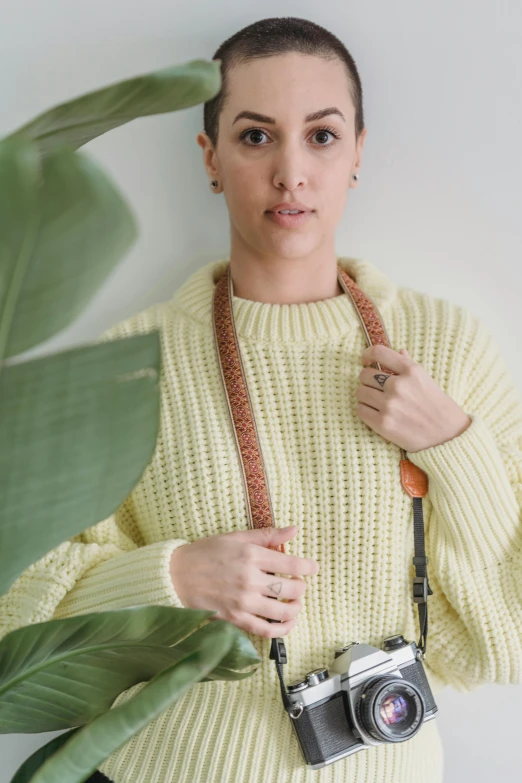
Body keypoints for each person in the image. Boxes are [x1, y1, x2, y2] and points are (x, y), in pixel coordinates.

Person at [3, 15, 522, 783]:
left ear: (357, 154)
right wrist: (171, 578)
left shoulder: (447, 348)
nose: (291, 172)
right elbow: (19, 623)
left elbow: (502, 641)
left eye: (321, 135)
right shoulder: (129, 364)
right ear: (210, 158)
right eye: (255, 136)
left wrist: (452, 443)